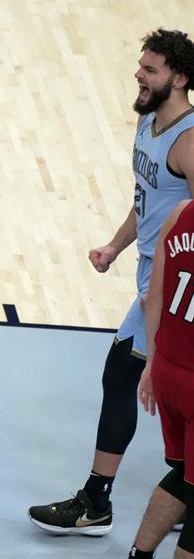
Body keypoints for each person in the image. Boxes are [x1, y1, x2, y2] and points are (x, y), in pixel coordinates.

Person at [29, 28, 194, 536]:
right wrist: (116, 245)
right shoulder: (148, 121)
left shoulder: (189, 143)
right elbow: (147, 195)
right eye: (140, 66)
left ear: (180, 79)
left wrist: (172, 288)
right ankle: (174, 492)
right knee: (138, 383)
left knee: (127, 376)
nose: (139, 76)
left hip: (169, 290)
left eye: (150, 70)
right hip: (154, 279)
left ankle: (99, 502)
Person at [128, 199, 194, 559]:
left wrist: (152, 366)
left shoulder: (181, 211)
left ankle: (139, 555)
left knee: (184, 475)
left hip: (167, 368)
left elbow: (153, 296)